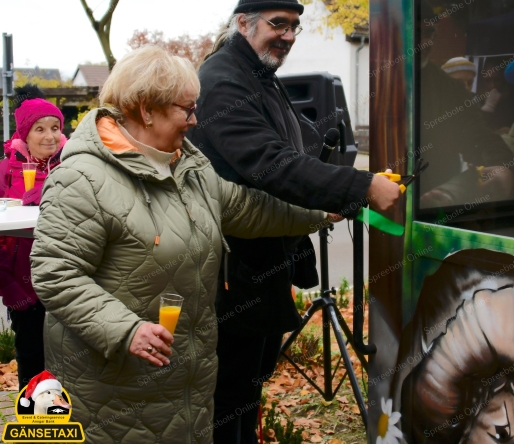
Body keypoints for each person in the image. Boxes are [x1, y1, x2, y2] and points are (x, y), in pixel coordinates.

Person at [29, 47, 332, 444]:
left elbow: (248, 208)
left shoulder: (188, 166)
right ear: (146, 109)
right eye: (186, 109)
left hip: (185, 386)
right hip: (114, 394)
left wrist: (323, 209)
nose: (195, 119)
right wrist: (125, 330)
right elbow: (55, 274)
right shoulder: (81, 179)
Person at [187, 0, 401, 443]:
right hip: (232, 266)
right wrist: (361, 186)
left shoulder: (259, 76)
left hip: (263, 261)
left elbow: (300, 147)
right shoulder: (222, 81)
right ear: (243, 23)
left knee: (249, 384)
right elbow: (271, 163)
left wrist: (342, 174)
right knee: (230, 393)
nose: (287, 35)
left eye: (294, 27)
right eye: (277, 24)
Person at [0, 86, 66, 390]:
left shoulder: (74, 168)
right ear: (25, 135)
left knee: (67, 367)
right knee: (31, 363)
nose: (49, 136)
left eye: (55, 128)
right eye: (39, 129)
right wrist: (9, 287)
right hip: (25, 291)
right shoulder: (6, 171)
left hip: (68, 287)